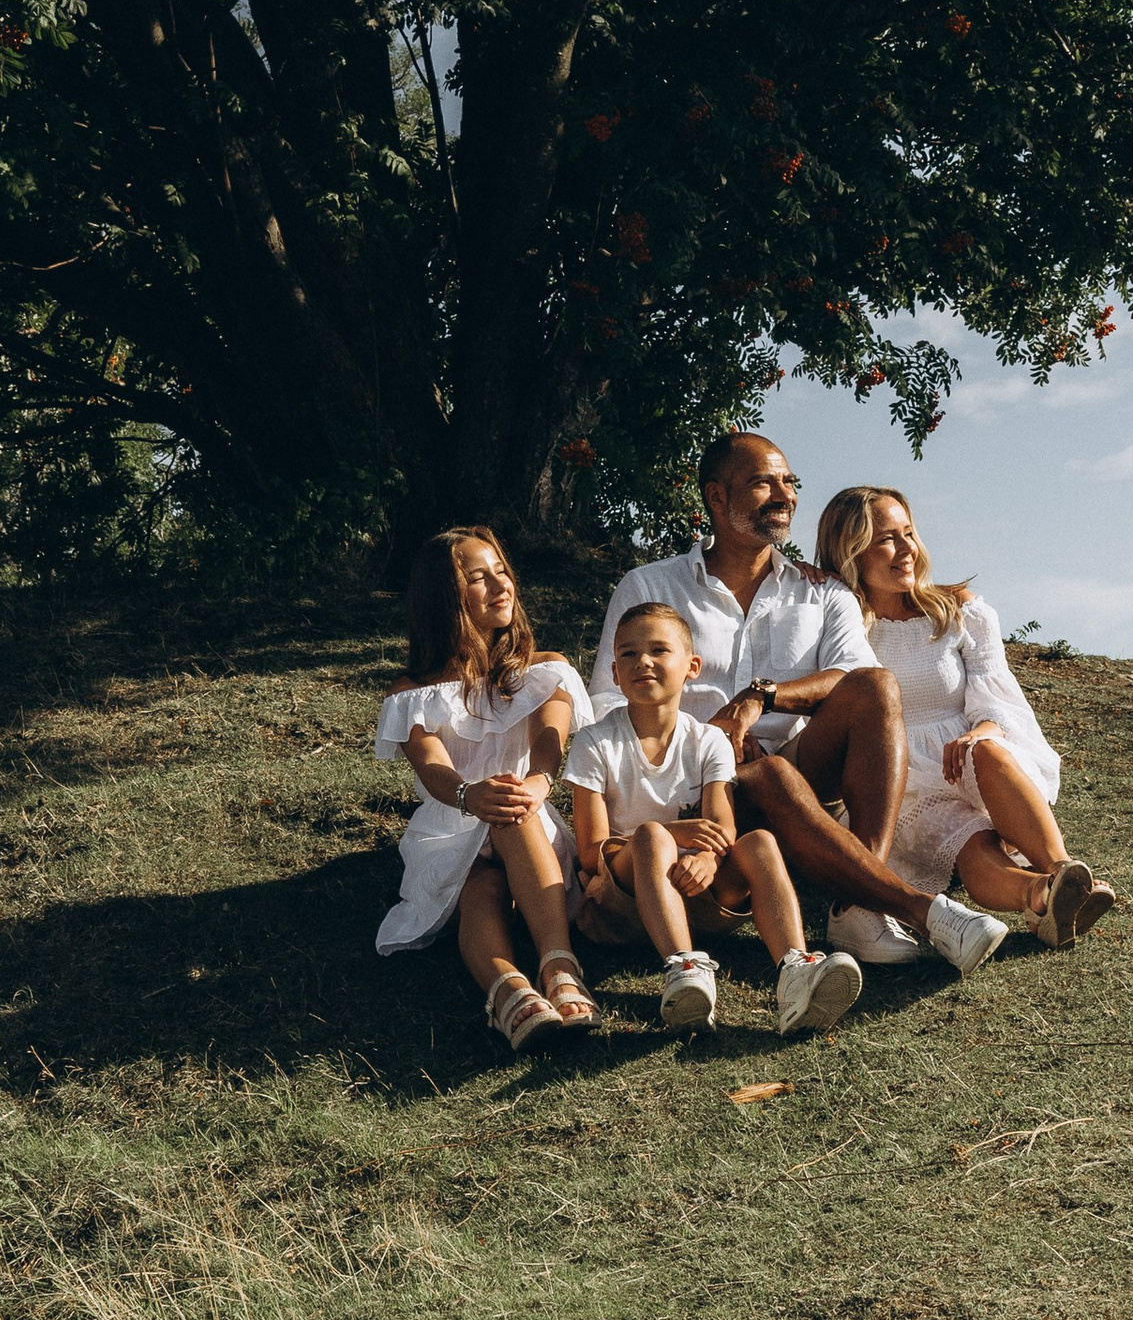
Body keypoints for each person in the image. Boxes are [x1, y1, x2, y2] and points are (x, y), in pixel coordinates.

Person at [592, 433, 1009, 978]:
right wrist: (699, 742)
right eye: (763, 482)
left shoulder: (822, 592)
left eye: (788, 482)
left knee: (875, 689)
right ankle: (910, 907)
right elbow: (605, 700)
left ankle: (855, 908)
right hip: (686, 793)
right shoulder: (650, 586)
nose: (784, 494)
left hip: (796, 776)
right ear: (716, 497)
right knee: (767, 773)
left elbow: (854, 676)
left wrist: (759, 698)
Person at [814, 488, 1120, 943]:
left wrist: (978, 733)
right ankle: (1042, 898)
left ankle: (1062, 871)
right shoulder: (840, 626)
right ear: (851, 551)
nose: (907, 550)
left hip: (970, 755)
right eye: (887, 540)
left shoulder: (956, 609)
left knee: (988, 752)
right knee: (970, 841)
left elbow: (998, 701)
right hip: (900, 775)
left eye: (909, 533)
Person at [570, 601, 866, 1039]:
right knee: (652, 836)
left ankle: (795, 973)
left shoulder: (709, 740)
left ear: (692, 666)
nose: (643, 662)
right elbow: (592, 852)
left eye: (658, 650)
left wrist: (709, 858)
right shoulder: (596, 741)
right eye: (628, 654)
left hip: (701, 895)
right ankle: (684, 968)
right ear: (614, 673)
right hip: (622, 905)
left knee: (760, 841)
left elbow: (723, 825)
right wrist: (671, 834)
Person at [374, 525, 598, 1049]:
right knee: (481, 885)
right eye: (479, 578)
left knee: (511, 810)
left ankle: (555, 967)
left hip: (529, 815)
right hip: (450, 825)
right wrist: (466, 795)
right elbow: (432, 767)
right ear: (444, 597)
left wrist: (537, 784)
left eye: (502, 572)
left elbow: (549, 743)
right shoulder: (412, 693)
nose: (501, 586)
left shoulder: (545, 671)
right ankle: (511, 992)